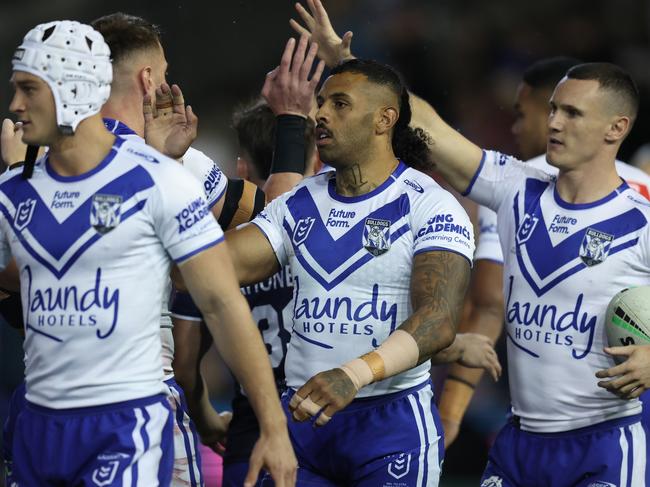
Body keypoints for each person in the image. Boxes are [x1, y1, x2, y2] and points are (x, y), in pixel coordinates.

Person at [5, 19, 296, 487]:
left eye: (27, 89)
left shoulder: (164, 176)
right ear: (147, 80)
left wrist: (272, 426)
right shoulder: (14, 189)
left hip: (132, 417)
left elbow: (229, 293)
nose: (15, 106)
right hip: (40, 420)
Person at [218, 57, 504, 486]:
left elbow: (438, 322)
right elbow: (211, 271)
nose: (320, 114)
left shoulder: (430, 204)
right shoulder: (298, 202)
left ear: (384, 119)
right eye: (320, 103)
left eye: (339, 104)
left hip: (390, 427)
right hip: (301, 422)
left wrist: (353, 374)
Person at [408, 57, 650, 484]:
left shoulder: (642, 222)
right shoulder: (514, 187)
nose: (554, 123)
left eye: (573, 113)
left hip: (603, 447)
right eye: (554, 108)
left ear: (617, 128)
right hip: (518, 444)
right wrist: (350, 67)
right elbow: (433, 131)